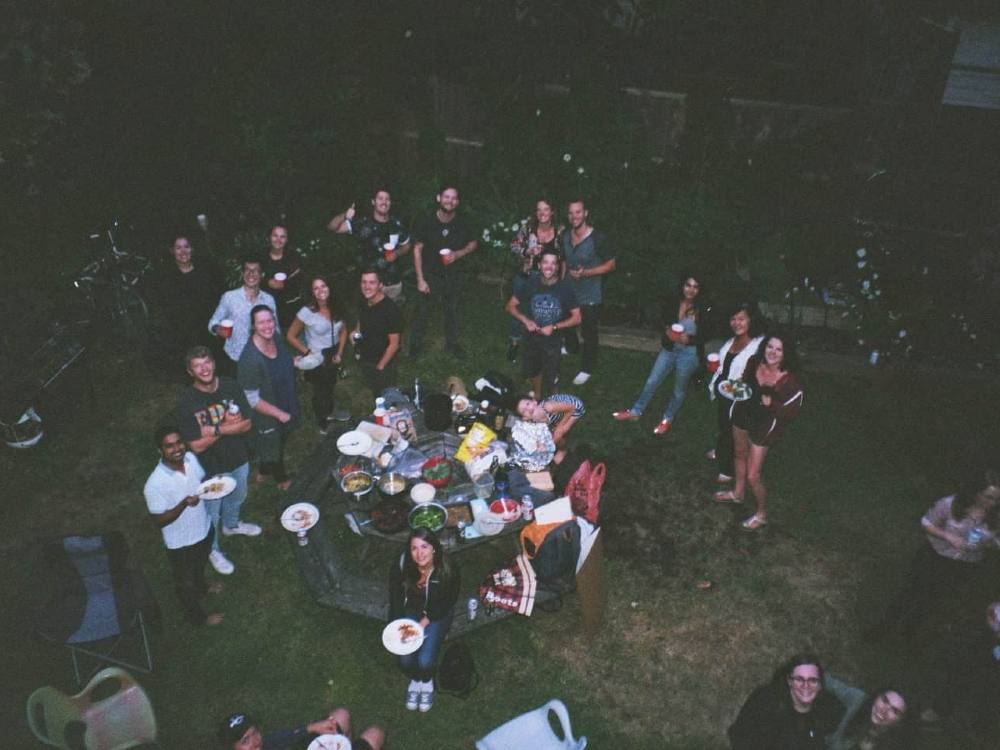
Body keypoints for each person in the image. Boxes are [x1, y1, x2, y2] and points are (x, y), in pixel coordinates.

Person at [869, 469, 1000, 640]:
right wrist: (948, 536)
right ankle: (885, 627)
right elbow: (926, 523)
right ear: (975, 493)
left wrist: (991, 541)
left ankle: (909, 631)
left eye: (997, 499)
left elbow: (994, 541)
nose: (993, 503)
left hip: (963, 565)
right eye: (988, 497)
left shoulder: (995, 517)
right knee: (910, 593)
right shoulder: (950, 504)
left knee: (933, 599)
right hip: (934, 556)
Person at [178, 345, 258, 576]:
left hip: (238, 456)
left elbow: (247, 424)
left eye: (207, 362)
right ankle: (212, 549)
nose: (204, 369)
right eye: (197, 366)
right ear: (190, 372)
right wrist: (227, 427)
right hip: (209, 468)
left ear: (213, 363)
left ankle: (231, 525)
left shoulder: (231, 385)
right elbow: (195, 445)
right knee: (211, 514)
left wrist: (213, 430)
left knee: (238, 496)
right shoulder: (187, 402)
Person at [716, 333, 804, 531]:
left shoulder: (791, 383)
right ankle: (738, 494)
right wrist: (735, 387)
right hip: (743, 413)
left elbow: (791, 413)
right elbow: (745, 384)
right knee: (739, 453)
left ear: (786, 353)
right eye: (769, 346)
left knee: (753, 475)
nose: (772, 352)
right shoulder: (755, 361)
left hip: (765, 424)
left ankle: (761, 514)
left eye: (778, 349)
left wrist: (772, 404)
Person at [143, 426, 223, 626]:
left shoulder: (191, 459)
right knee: (184, 583)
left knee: (199, 565)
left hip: (203, 528)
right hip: (181, 543)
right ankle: (198, 618)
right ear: (160, 450)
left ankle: (203, 587)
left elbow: (201, 481)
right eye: (169, 446)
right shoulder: (154, 484)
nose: (177, 448)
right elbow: (159, 520)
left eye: (179, 442)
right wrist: (184, 504)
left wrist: (212, 486)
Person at [613, 274, 704, 435]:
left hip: (688, 354)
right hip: (669, 349)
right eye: (688, 285)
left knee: (678, 389)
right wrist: (667, 330)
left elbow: (707, 333)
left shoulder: (703, 308)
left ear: (700, 289)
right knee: (652, 380)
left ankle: (667, 418)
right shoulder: (673, 301)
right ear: (682, 286)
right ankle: (635, 411)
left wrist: (689, 339)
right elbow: (661, 318)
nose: (691, 290)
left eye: (695, 286)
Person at [387, 529, 460, 712]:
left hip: (437, 612)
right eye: (414, 548)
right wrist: (397, 625)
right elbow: (395, 597)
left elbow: (448, 601)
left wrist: (423, 624)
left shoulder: (447, 568)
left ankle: (426, 682)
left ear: (434, 548)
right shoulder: (402, 564)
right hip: (411, 609)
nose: (419, 554)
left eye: (424, 547)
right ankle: (415, 679)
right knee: (404, 658)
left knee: (425, 660)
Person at [409, 184, 478, 359]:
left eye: (454, 198)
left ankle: (452, 345)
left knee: (452, 311)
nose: (450, 201)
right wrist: (420, 279)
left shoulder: (463, 221)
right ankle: (415, 346)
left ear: (458, 202)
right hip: (430, 274)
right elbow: (417, 249)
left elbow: (473, 244)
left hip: (454, 275)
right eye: (446, 197)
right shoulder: (426, 220)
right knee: (423, 312)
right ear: (438, 198)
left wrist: (458, 253)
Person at [238, 305, 300, 490]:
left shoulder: (276, 338)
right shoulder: (249, 359)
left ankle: (264, 470)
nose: (267, 326)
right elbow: (251, 398)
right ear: (253, 326)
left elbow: (282, 361)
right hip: (266, 412)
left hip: (285, 400)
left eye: (270, 320)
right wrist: (279, 414)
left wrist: (294, 362)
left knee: (281, 439)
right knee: (273, 445)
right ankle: (282, 480)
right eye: (261, 322)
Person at [505, 247, 581, 397]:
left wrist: (554, 326)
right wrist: (526, 321)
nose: (549, 266)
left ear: (558, 267)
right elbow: (510, 306)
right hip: (531, 337)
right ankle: (537, 396)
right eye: (545, 262)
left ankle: (554, 400)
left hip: (553, 339)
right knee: (533, 370)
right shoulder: (530, 283)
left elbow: (577, 317)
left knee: (552, 376)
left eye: (553, 263)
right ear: (539, 265)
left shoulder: (565, 288)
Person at [147, 235, 223, 380]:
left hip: (209, 327)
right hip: (184, 331)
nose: (183, 251)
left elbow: (216, 299)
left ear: (192, 249)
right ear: (172, 251)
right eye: (178, 247)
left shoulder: (206, 271)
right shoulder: (166, 278)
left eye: (186, 246)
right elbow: (167, 309)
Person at [557, 197, 616, 385]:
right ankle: (572, 347)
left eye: (578, 212)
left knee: (589, 331)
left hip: (590, 294)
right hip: (569, 290)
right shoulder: (565, 235)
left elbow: (611, 265)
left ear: (585, 213)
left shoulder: (597, 238)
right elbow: (564, 259)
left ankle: (587, 368)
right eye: (571, 213)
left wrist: (587, 273)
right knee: (565, 321)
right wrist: (561, 281)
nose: (575, 216)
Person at [728, 654, 842, 750]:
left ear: (820, 685)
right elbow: (739, 736)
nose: (805, 686)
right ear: (789, 681)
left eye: (812, 680)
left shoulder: (826, 714)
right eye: (799, 679)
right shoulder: (766, 701)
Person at [706, 301, 764, 484]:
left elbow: (763, 372)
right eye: (733, 319)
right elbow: (724, 366)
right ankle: (721, 450)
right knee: (723, 424)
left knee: (734, 430)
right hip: (724, 391)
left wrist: (748, 380)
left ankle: (727, 469)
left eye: (741, 319)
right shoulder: (732, 340)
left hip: (740, 396)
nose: (736, 323)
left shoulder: (757, 345)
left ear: (751, 320)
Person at [285, 276, 347, 433]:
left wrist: (339, 352)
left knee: (330, 385)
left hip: (332, 353)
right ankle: (323, 424)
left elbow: (344, 330)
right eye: (316, 288)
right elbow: (290, 336)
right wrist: (307, 352)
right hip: (317, 356)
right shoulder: (307, 312)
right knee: (320, 391)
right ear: (311, 292)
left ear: (329, 287)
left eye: (323, 286)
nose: (321, 290)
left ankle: (330, 413)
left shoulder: (337, 305)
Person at [328, 187, 411, 301]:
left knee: (392, 316)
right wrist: (345, 215)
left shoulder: (396, 224)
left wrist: (396, 253)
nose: (384, 202)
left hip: (392, 283)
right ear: (373, 202)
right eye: (380, 198)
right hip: (368, 285)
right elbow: (332, 228)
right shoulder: (362, 222)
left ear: (390, 203)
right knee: (369, 316)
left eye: (387, 199)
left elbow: (406, 245)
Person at [507, 198, 563, 362]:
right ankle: (514, 342)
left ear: (552, 212)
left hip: (548, 279)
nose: (542, 213)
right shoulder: (528, 228)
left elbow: (565, 255)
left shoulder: (560, 231)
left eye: (546, 209)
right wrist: (527, 250)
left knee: (543, 310)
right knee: (518, 309)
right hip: (526, 276)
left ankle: (542, 344)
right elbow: (514, 246)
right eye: (539, 210)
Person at [208, 259, 279, 375]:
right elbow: (213, 322)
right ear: (242, 273)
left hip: (261, 357)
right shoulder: (229, 297)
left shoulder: (269, 300)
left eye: (255, 271)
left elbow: (276, 330)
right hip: (234, 357)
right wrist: (218, 329)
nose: (251, 274)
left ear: (262, 275)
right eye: (247, 270)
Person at [219, 707, 384, 750]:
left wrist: (311, 727)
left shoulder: (263, 745)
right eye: (245, 741)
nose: (256, 742)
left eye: (255, 732)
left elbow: (279, 738)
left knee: (340, 716)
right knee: (375, 735)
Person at [823, 674, 911, 750]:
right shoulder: (859, 700)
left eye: (894, 710)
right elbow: (828, 681)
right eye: (884, 700)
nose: (884, 710)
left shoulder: (895, 744)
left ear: (900, 720)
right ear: (877, 696)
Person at [355, 269, 402, 394]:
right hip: (366, 359)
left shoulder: (390, 310)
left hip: (384, 363)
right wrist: (355, 333)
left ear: (380, 285)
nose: (366, 287)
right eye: (364, 282)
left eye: (372, 283)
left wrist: (380, 367)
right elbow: (361, 321)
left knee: (387, 398)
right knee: (375, 393)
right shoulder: (363, 301)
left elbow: (394, 344)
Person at [513, 393, 585, 466]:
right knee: (550, 435)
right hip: (558, 414)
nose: (529, 409)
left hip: (573, 408)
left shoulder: (549, 407)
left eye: (528, 404)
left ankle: (562, 450)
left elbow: (571, 408)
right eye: (524, 411)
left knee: (559, 432)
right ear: (525, 418)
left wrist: (560, 426)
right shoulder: (533, 422)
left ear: (534, 402)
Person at [259, 225, 301, 328]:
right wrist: (267, 282)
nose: (278, 240)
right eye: (275, 236)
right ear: (269, 237)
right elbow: (251, 278)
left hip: (288, 308)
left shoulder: (293, 258)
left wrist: (285, 285)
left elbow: (299, 282)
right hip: (263, 307)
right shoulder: (260, 257)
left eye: (282, 237)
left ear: (287, 240)